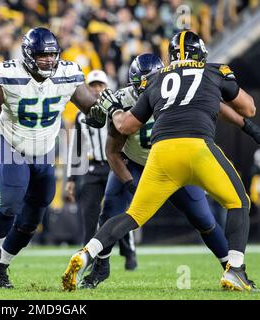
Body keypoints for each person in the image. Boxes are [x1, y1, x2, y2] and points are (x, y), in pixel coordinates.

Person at [62, 30, 258, 292]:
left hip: (160, 153)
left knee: (131, 215)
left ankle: (86, 254)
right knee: (238, 202)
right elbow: (248, 107)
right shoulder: (213, 71)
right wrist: (249, 125)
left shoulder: (157, 81)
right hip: (196, 147)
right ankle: (234, 270)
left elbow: (127, 125)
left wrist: (112, 109)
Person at [0, 27, 112, 289]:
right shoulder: (9, 75)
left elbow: (90, 110)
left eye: (52, 55)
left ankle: (2, 268)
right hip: (10, 144)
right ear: (27, 55)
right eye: (41, 55)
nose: (48, 60)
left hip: (44, 149)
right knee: (11, 203)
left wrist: (107, 108)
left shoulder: (67, 75)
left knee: (32, 219)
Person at [65, 69, 137, 280]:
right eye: (93, 86)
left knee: (117, 213)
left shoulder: (119, 109)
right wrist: (71, 178)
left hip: (116, 166)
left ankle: (129, 251)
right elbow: (75, 148)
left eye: (100, 85)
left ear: (107, 87)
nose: (97, 89)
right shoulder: (81, 115)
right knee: (89, 214)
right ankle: (89, 256)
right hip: (93, 168)